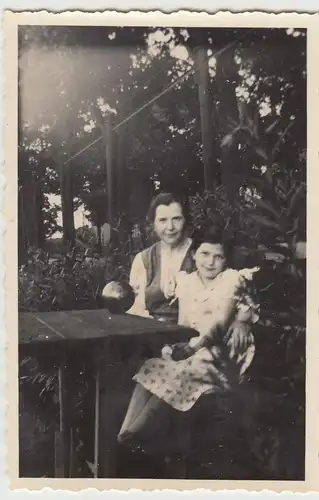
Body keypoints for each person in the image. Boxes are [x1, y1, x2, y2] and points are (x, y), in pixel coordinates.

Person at [118, 225, 259, 445]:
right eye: (204, 254)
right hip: (195, 345)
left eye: (218, 257)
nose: (210, 262)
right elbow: (184, 324)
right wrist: (180, 346)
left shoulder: (231, 280)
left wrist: (194, 347)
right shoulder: (187, 281)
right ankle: (125, 433)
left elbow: (220, 324)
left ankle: (133, 436)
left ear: (226, 261)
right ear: (194, 254)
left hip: (220, 350)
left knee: (181, 372)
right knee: (153, 367)